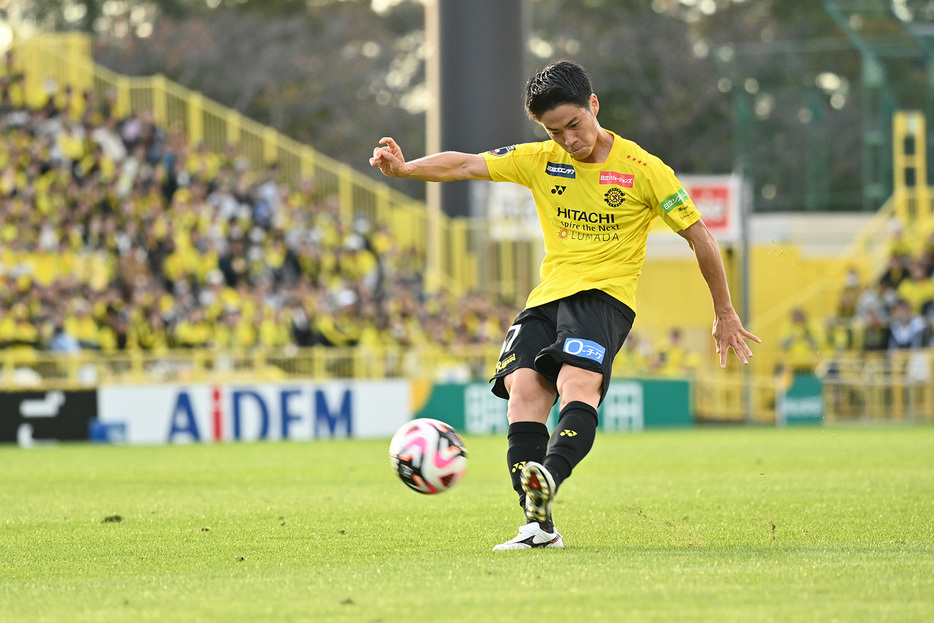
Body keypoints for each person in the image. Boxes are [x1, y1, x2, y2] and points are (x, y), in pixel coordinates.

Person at [369, 60, 760, 551]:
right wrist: (406, 168)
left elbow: (700, 238)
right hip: (547, 296)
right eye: (555, 132)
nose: (568, 140)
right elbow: (466, 163)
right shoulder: (540, 159)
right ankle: (538, 526)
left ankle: (549, 475)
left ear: (594, 106)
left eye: (574, 125)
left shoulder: (645, 169)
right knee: (524, 391)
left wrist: (724, 311)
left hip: (604, 298)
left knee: (578, 383)